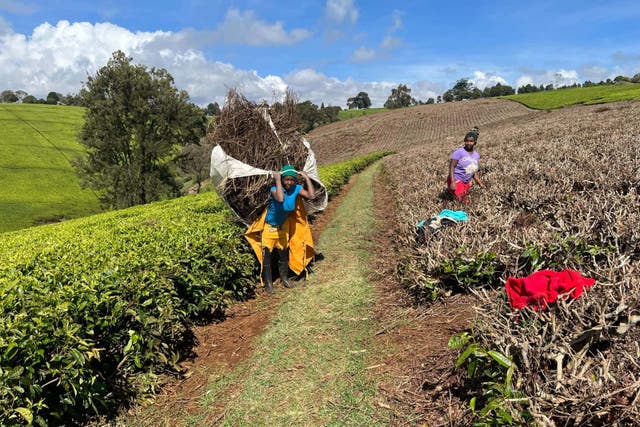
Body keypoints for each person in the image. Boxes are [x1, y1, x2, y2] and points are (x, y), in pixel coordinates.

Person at [261, 164, 315, 294]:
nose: (289, 182)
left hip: (283, 227)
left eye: (292, 179)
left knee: (283, 254)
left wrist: (307, 178)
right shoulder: (274, 189)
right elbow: (280, 199)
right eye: (286, 179)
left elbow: (311, 196)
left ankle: (284, 279)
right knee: (267, 256)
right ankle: (269, 284)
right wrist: (278, 179)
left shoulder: (296, 188)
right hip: (270, 228)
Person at [446, 127, 487, 203]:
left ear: (475, 142)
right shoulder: (459, 152)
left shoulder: (476, 155)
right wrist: (452, 181)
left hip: (466, 182)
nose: (469, 143)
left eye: (471, 141)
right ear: (464, 141)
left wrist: (480, 183)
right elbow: (452, 166)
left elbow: (473, 172)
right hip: (456, 180)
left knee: (466, 200)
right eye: (467, 141)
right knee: (463, 201)